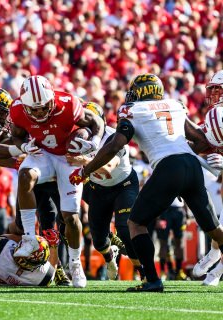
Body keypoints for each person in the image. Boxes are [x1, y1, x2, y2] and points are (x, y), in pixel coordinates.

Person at [70, 73, 223, 292]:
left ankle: (152, 280)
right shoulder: (174, 104)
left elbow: (115, 146)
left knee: (135, 224)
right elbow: (200, 138)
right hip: (191, 165)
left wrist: (86, 170)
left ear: (139, 92)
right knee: (215, 230)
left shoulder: (132, 110)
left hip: (168, 168)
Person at [9, 75, 105, 288]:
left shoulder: (68, 103)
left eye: (44, 107)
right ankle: (28, 239)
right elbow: (16, 136)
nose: (41, 113)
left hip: (68, 157)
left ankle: (75, 263)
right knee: (25, 176)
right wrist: (24, 147)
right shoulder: (16, 109)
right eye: (35, 110)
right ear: (25, 107)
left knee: (70, 217)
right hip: (43, 152)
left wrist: (94, 142)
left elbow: (96, 121)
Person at [66, 102, 145, 281]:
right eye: (83, 124)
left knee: (125, 229)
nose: (86, 128)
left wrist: (83, 161)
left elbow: (108, 169)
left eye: (90, 124)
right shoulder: (77, 138)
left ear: (100, 122)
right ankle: (110, 258)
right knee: (99, 240)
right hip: (97, 188)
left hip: (122, 185)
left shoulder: (113, 136)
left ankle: (142, 271)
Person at [192, 70, 223, 286]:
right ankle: (214, 255)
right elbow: (200, 138)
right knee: (218, 223)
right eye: (211, 88)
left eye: (217, 88)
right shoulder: (214, 115)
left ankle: (217, 270)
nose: (212, 93)